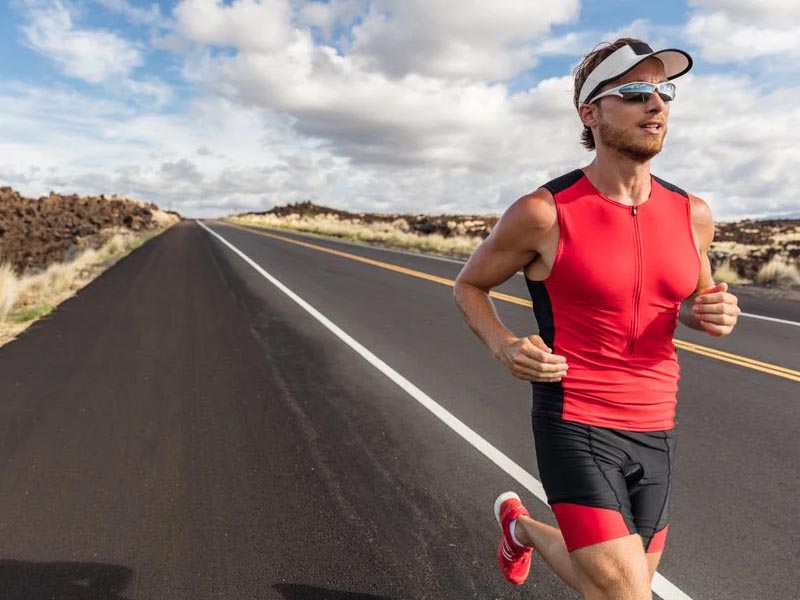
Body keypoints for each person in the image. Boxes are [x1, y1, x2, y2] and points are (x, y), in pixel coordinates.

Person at [453, 38, 741, 600]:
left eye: (664, 92)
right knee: (625, 594)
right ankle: (526, 528)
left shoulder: (693, 214)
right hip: (577, 417)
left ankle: (522, 528)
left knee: (615, 585)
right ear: (590, 112)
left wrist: (714, 312)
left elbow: (697, 301)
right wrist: (505, 345)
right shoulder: (544, 212)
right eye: (634, 93)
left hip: (657, 422)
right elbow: (469, 285)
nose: (655, 106)